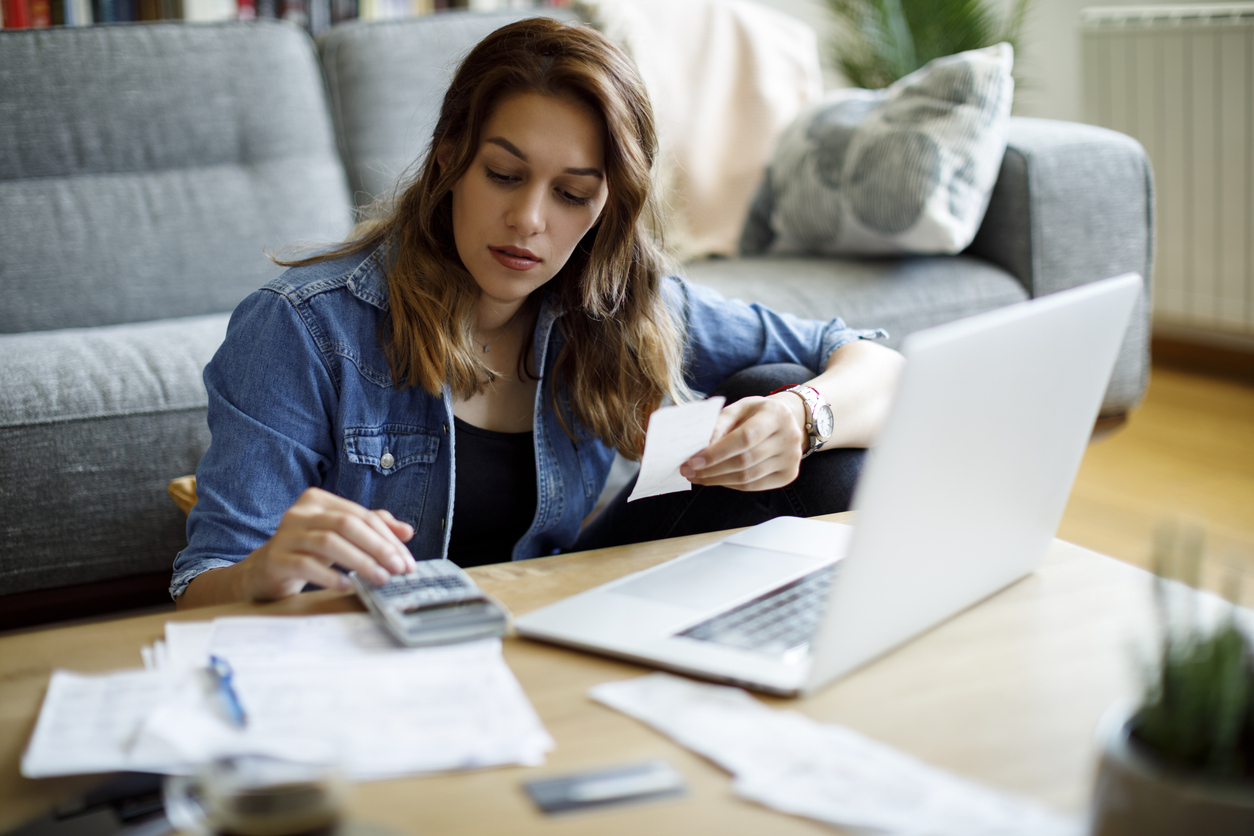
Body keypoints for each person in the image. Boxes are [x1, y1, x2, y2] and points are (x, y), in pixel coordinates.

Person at [172, 17, 904, 608]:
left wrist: (806, 418)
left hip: (552, 610)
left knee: (791, 403)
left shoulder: (614, 301)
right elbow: (205, 580)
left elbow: (878, 362)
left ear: (606, 208)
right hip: (393, 644)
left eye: (571, 193)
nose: (527, 219)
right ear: (452, 157)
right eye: (503, 174)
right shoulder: (303, 327)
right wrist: (265, 570)